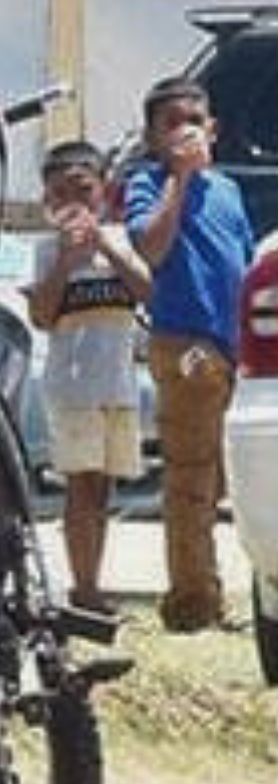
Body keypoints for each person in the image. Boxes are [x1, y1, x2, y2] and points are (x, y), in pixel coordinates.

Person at [124, 77, 255, 634]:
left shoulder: (227, 190)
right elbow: (149, 247)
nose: (184, 132)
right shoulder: (146, 184)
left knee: (225, 476)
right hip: (185, 343)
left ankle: (211, 585)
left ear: (214, 130)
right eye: (170, 124)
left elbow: (245, 260)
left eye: (193, 122)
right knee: (190, 474)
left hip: (232, 344)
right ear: (152, 138)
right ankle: (192, 602)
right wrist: (178, 179)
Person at [25, 139, 151, 617]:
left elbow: (142, 290)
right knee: (81, 483)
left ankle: (93, 578)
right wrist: (65, 261)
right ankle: (84, 586)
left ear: (103, 193)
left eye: (83, 191)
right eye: (61, 195)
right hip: (74, 388)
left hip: (116, 385)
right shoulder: (46, 251)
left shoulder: (120, 240)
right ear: (48, 203)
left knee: (103, 486)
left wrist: (105, 248)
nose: (73, 203)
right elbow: (41, 314)